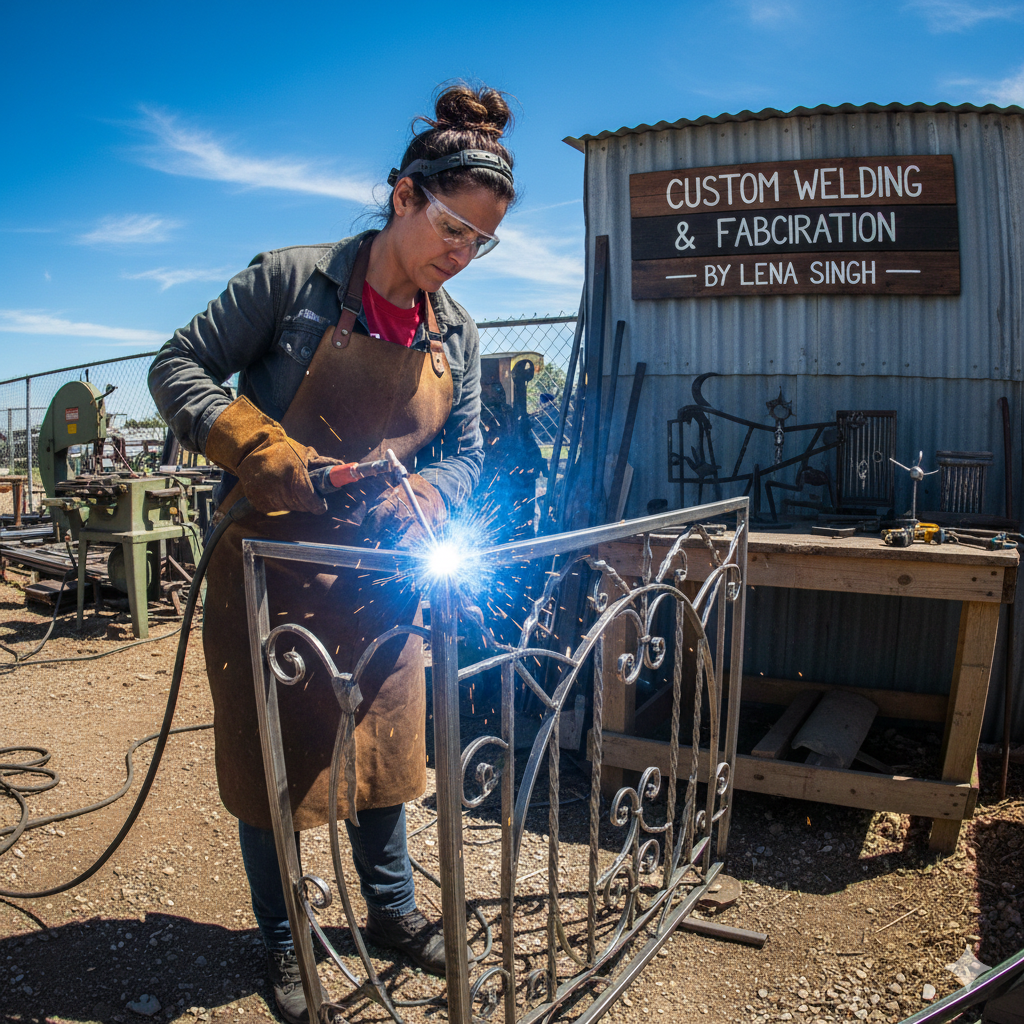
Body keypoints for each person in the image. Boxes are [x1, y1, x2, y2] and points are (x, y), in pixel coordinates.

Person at [148, 83, 515, 1023]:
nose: (460, 256)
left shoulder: (456, 334)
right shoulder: (294, 284)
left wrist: (432, 490)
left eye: (480, 243)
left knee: (390, 748)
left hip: (381, 575)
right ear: (403, 197)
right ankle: (282, 940)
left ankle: (390, 911)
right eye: (450, 229)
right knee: (272, 764)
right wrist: (258, 446)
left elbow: (469, 455)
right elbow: (175, 366)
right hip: (267, 568)